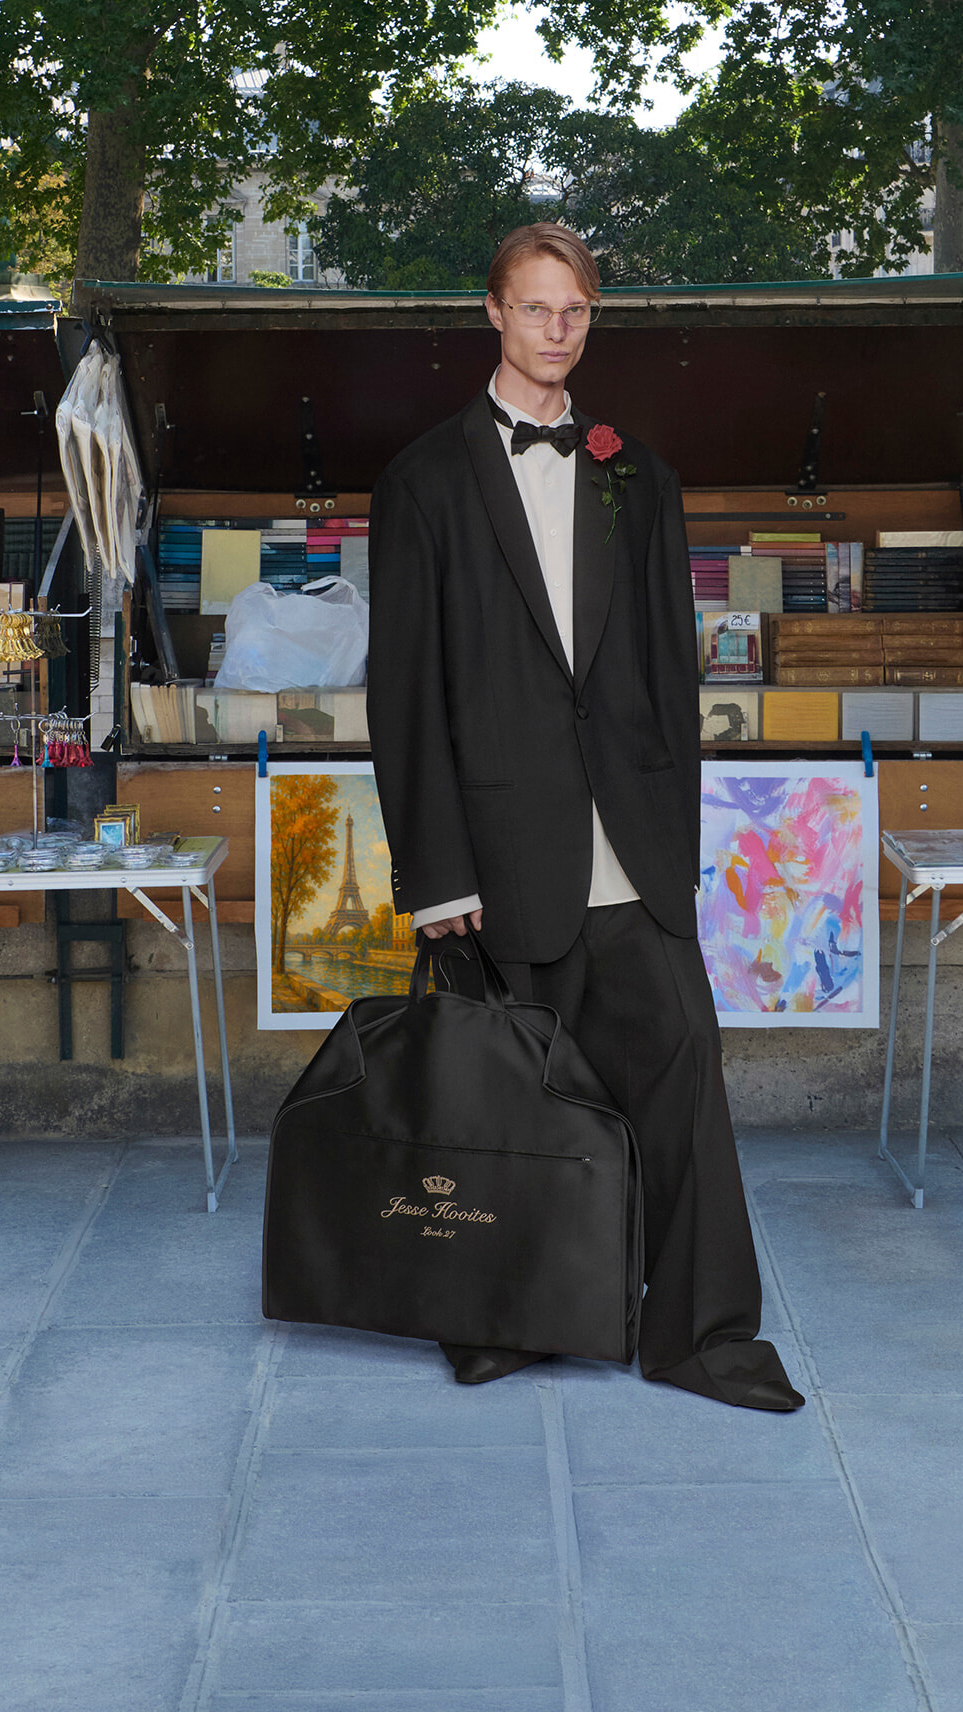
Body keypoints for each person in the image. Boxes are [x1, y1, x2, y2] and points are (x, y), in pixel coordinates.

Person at [367, 222, 803, 1412]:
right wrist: (433, 871)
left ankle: (704, 1337)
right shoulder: (423, 481)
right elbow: (403, 694)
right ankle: (502, 1321)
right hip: (499, 859)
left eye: (577, 311)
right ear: (493, 314)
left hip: (635, 854)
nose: (557, 329)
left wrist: (678, 841)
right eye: (536, 307)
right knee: (508, 1108)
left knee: (684, 1082)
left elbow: (670, 673)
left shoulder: (637, 475)